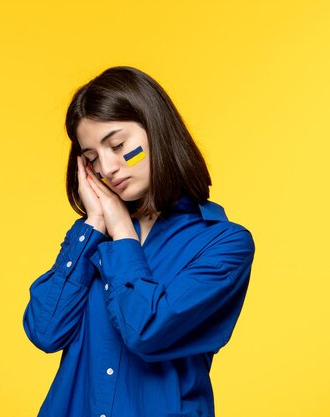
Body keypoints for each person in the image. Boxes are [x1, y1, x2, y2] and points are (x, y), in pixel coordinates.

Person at [23, 66, 255, 417]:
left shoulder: (223, 244)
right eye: (91, 159)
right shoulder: (93, 240)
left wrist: (123, 237)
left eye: (117, 146)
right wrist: (96, 223)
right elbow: (45, 330)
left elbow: (147, 331)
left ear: (156, 130)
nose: (108, 167)